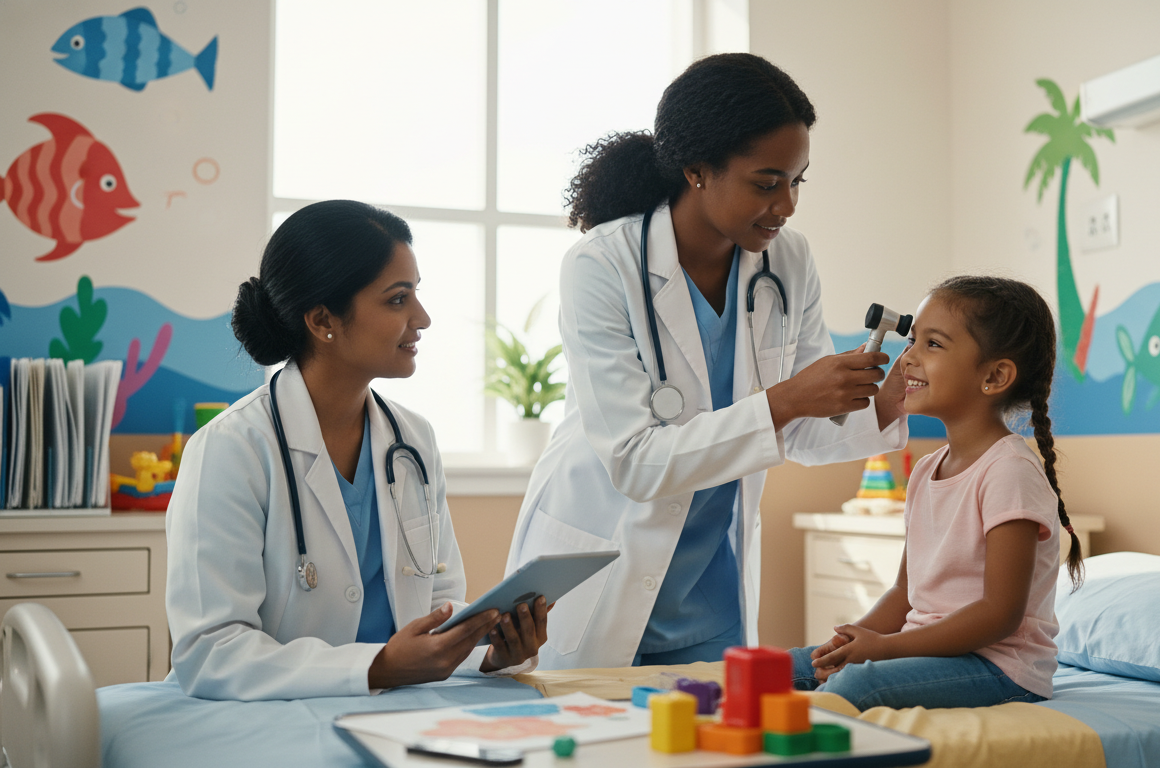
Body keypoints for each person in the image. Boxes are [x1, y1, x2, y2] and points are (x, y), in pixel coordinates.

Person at [504, 53, 910, 671]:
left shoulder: (789, 263)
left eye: (798, 181)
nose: (788, 205)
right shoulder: (601, 264)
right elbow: (636, 461)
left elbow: (801, 431)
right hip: (603, 570)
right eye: (767, 182)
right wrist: (789, 398)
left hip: (711, 589)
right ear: (697, 171)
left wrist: (892, 394)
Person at [165, 200, 547, 700]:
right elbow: (210, 651)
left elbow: (440, 607)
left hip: (399, 711)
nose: (423, 318)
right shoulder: (231, 450)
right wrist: (378, 665)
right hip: (268, 719)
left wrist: (492, 652)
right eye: (397, 300)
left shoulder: (413, 440)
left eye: (417, 295)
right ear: (323, 319)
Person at [790, 276, 1085, 710]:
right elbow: (905, 594)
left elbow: (999, 614)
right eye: (913, 340)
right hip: (929, 652)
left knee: (857, 689)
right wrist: (850, 640)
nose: (907, 357)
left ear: (995, 376)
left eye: (933, 345)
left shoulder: (1010, 472)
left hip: (998, 667)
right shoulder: (927, 470)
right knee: (792, 667)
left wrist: (884, 650)